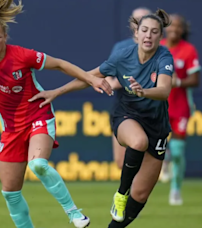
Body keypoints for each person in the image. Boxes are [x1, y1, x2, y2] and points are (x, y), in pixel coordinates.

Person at [0, 1, 112, 227]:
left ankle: (74, 213)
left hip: (38, 115)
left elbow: (61, 65)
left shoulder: (22, 55)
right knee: (10, 193)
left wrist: (91, 78)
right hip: (11, 128)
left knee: (38, 165)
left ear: (5, 36)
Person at [29, 9, 173, 228]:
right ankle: (120, 195)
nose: (148, 36)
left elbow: (163, 90)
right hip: (128, 115)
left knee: (141, 194)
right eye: (144, 30)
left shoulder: (164, 56)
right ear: (136, 33)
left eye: (154, 32)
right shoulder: (122, 56)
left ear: (160, 36)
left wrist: (144, 91)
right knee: (138, 141)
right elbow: (90, 77)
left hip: (157, 125)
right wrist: (57, 92)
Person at [160, 14, 200, 205]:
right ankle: (164, 158)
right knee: (156, 142)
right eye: (171, 25)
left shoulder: (188, 50)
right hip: (159, 105)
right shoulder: (158, 47)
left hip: (181, 106)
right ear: (166, 27)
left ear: (183, 30)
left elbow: (195, 80)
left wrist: (178, 81)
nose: (174, 29)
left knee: (177, 150)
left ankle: (175, 190)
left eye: (178, 26)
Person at [109, 7, 152, 170]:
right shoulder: (121, 46)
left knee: (144, 157)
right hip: (122, 106)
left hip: (147, 108)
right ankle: (129, 193)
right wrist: (109, 82)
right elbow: (108, 70)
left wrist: (121, 80)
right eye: (137, 20)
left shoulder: (155, 48)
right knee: (121, 162)